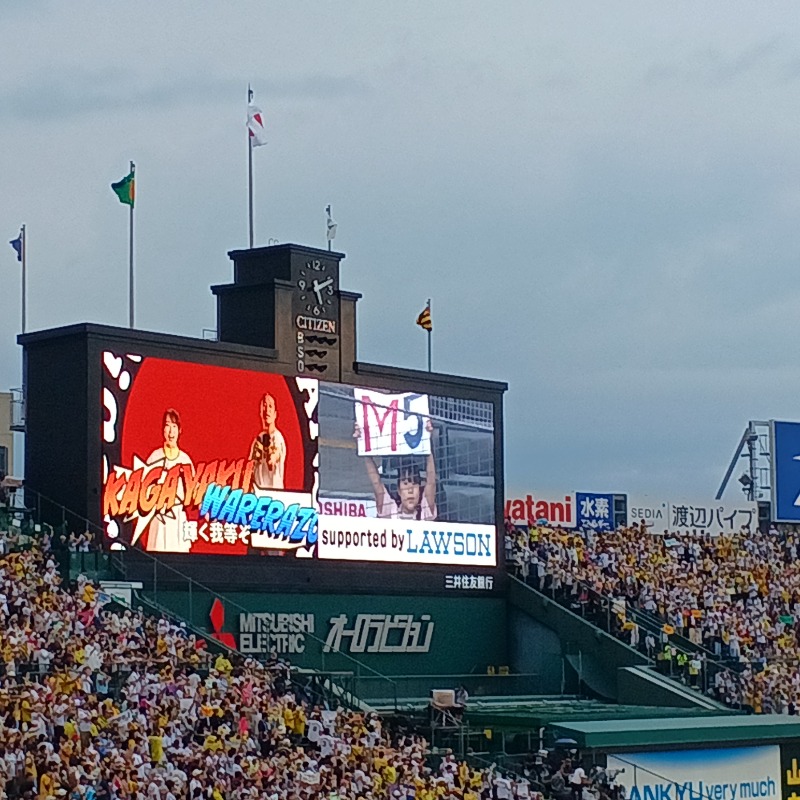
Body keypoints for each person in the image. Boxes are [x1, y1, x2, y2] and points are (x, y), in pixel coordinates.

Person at [355, 419, 438, 521]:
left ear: (420, 489)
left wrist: (427, 438)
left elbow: (431, 482)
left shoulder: (425, 514)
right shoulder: (390, 511)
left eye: (414, 484)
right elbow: (376, 482)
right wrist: (363, 441)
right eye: (406, 484)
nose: (410, 490)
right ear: (398, 490)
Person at [143, 409, 194, 553]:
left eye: (174, 426)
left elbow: (192, 493)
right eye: (167, 426)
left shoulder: (185, 460)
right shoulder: (155, 457)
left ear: (179, 430)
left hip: (177, 519)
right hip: (159, 519)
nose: (171, 432)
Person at [250, 393, 287, 491]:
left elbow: (273, 459)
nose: (267, 410)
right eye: (264, 406)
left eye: (270, 406)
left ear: (275, 414)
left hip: (273, 496)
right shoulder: (258, 439)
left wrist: (269, 453)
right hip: (257, 496)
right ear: (260, 412)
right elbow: (249, 468)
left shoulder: (277, 438)